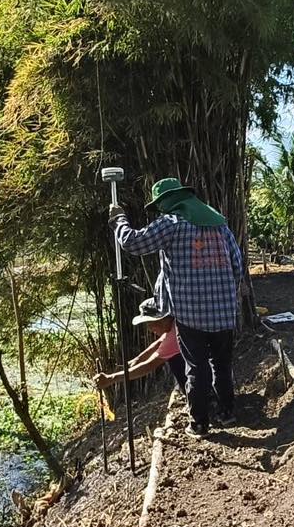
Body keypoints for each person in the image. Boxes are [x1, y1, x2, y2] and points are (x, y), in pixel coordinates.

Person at [110, 177, 244, 438]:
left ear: (168, 202)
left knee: (196, 367)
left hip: (190, 313)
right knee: (221, 364)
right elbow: (237, 265)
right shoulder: (220, 224)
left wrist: (119, 220)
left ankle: (199, 423)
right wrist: (225, 294)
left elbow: (133, 242)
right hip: (225, 312)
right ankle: (227, 413)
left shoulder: (172, 223)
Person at [93, 297, 187, 395]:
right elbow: (159, 342)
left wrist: (111, 378)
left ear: (162, 319)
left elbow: (149, 365)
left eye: (150, 323)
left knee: (175, 361)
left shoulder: (175, 334)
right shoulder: (173, 325)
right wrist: (136, 360)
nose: (149, 328)